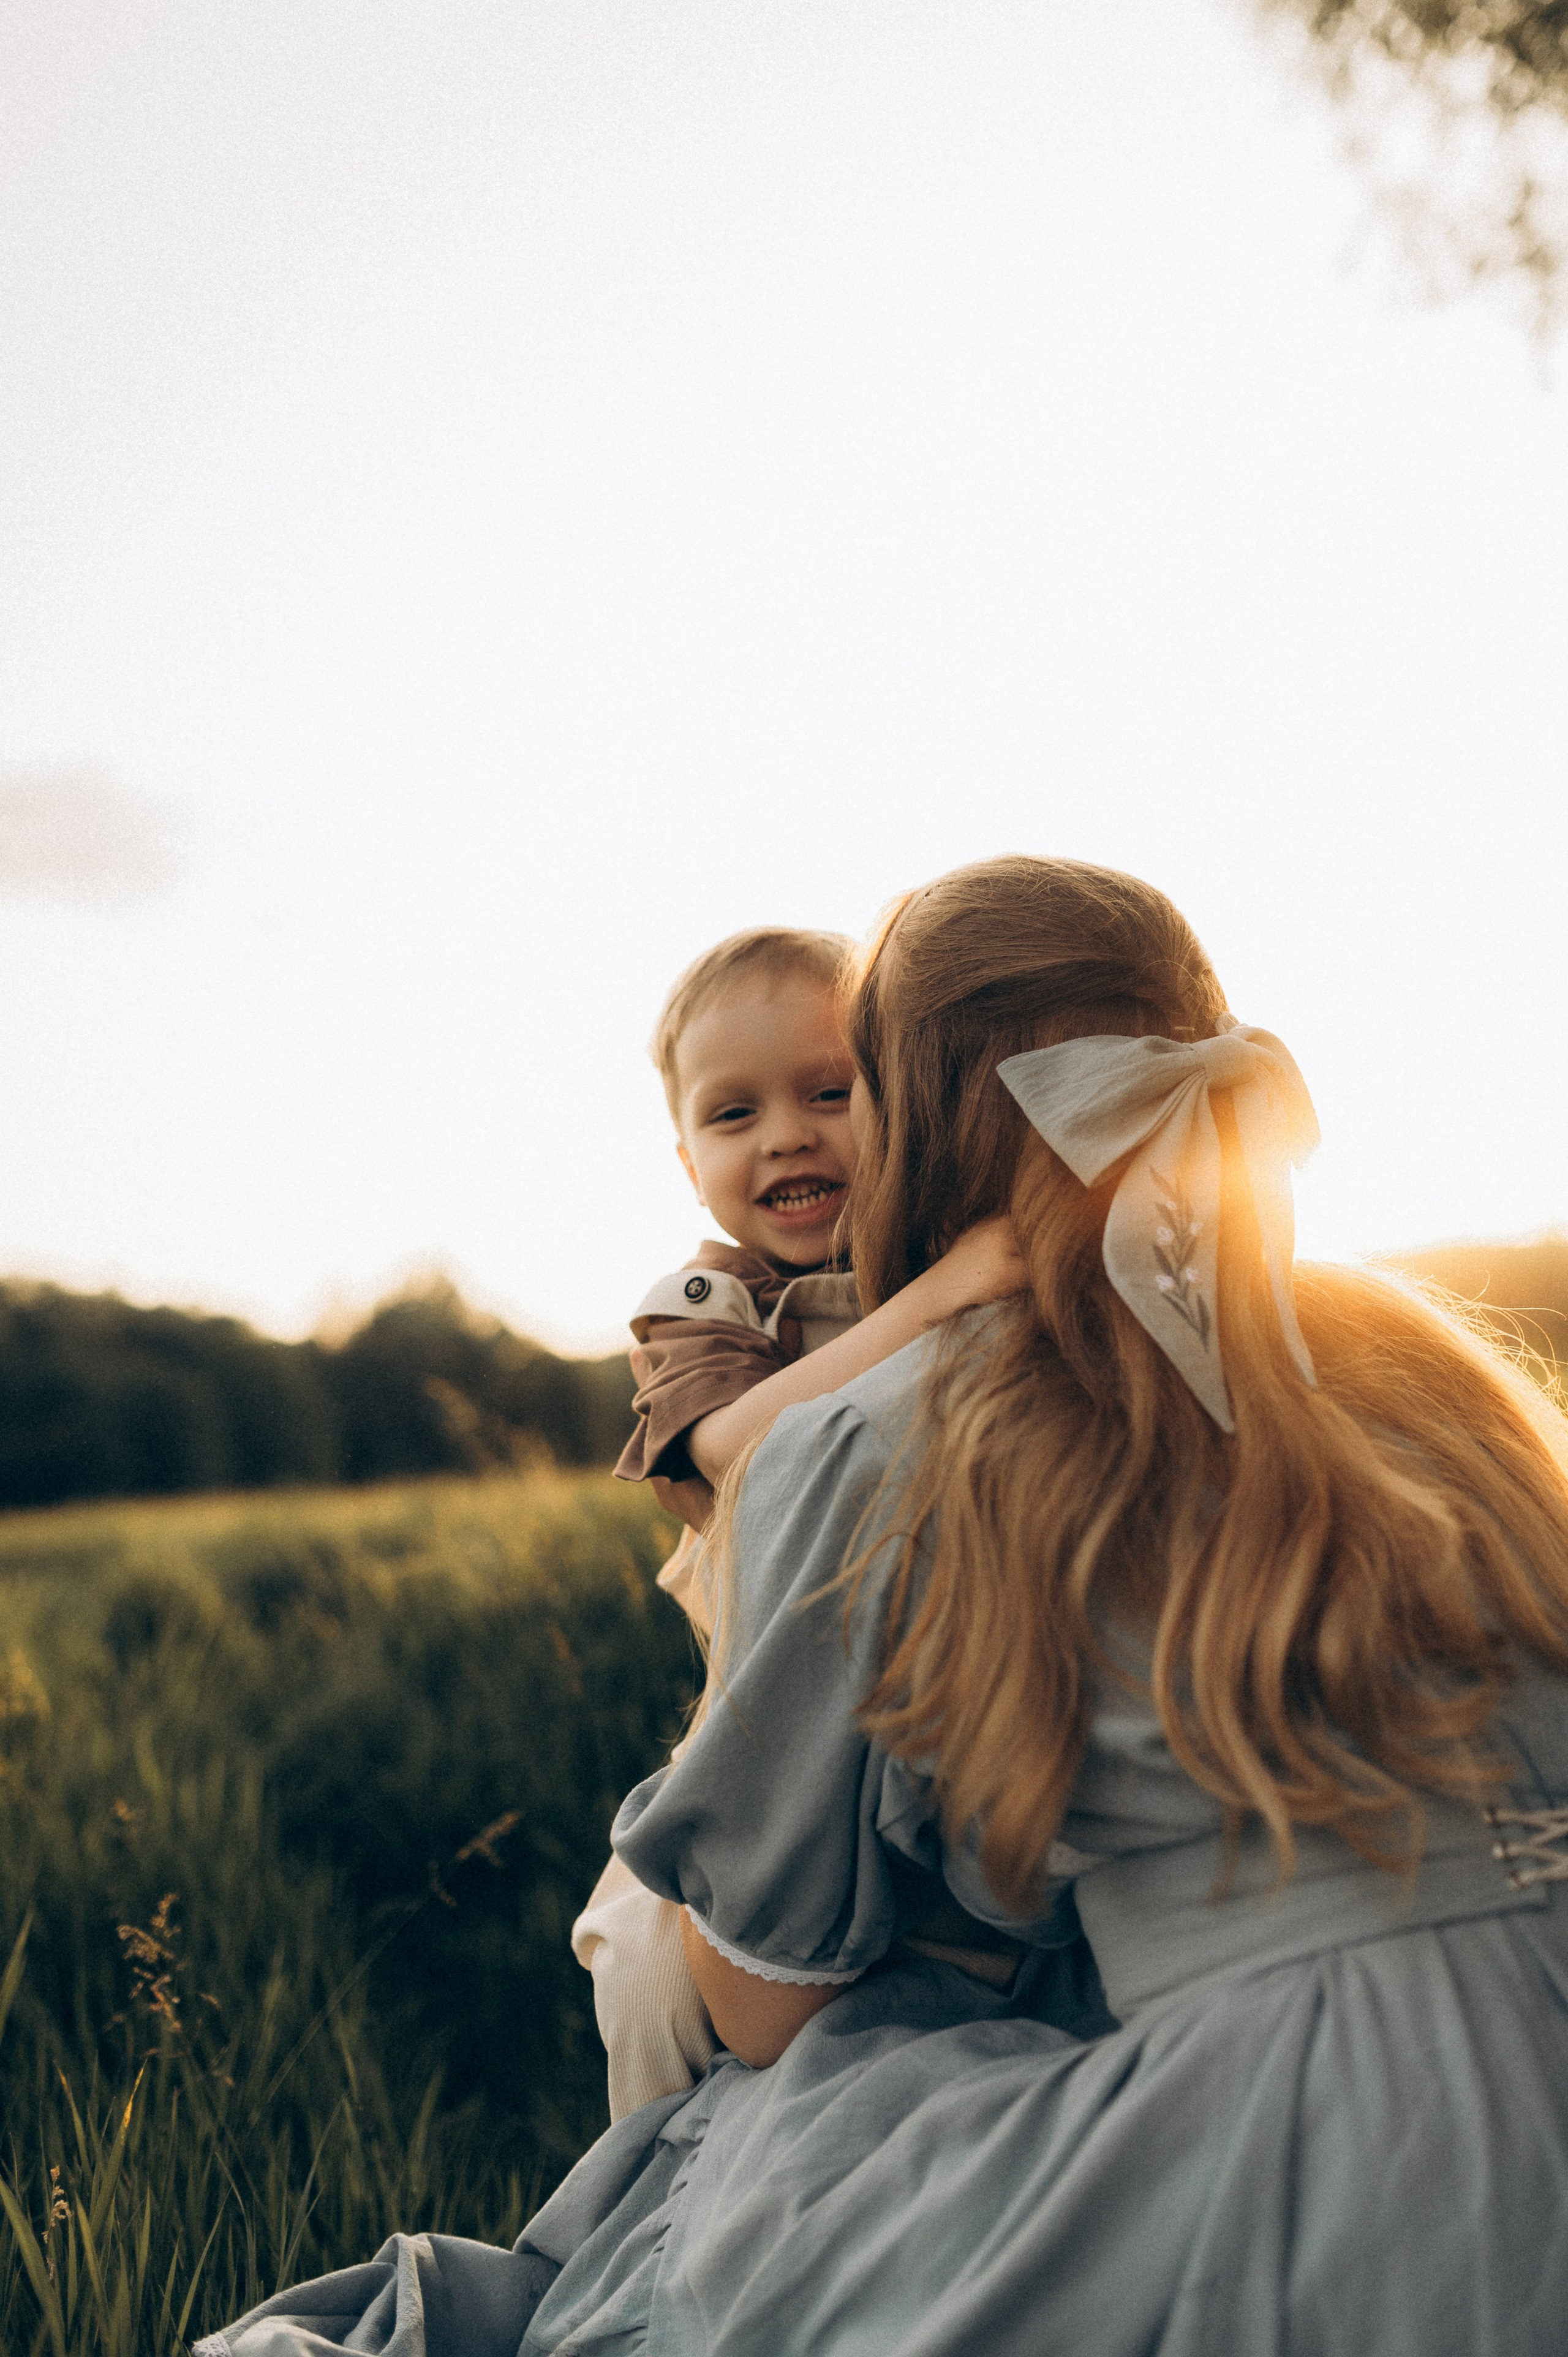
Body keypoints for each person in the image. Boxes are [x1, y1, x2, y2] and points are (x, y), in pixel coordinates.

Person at [202, 854, 1568, 2357]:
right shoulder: (1433, 1376)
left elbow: (771, 2002)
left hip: (1312, 2123)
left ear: (909, 1113)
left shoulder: (886, 1428)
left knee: (741, 2150)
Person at [578, 924, 1030, 2119]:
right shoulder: (706, 1312)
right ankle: (649, 2201)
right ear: (686, 1161)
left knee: (947, 1992)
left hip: (942, 1706)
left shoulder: (937, 1251)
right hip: (756, 1735)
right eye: (733, 1115)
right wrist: (948, 1293)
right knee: (643, 1971)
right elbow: (735, 1445)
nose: (784, 1133)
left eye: (829, 1092)